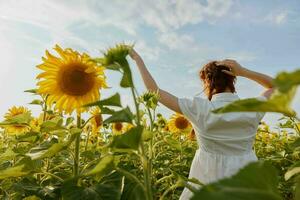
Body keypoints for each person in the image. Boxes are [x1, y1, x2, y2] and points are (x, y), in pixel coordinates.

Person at [129, 49, 274, 200]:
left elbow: (154, 91)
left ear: (207, 82)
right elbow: (275, 86)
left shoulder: (199, 109)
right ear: (233, 80)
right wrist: (244, 71)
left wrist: (137, 59)